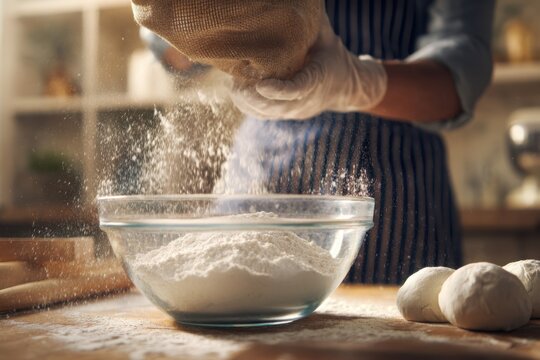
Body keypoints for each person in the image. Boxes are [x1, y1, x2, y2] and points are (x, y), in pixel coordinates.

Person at [142, 0, 495, 284]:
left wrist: (358, 82)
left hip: (395, 202)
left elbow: (459, 74)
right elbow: (172, 44)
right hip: (261, 175)